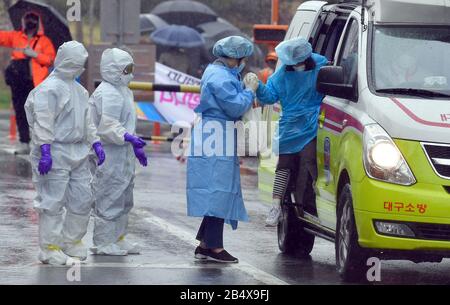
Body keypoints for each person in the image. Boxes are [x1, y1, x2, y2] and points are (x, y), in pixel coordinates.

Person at [25, 41, 106, 265]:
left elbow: (87, 122)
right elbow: (43, 121)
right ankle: (49, 247)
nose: (79, 68)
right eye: (76, 63)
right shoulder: (48, 89)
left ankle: (71, 241)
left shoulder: (79, 90)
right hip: (56, 149)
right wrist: (45, 149)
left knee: (82, 198)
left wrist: (95, 143)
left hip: (78, 150)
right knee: (53, 200)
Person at [244, 37, 328, 227]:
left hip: (312, 123)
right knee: (284, 165)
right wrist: (257, 87)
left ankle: (320, 199)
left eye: (299, 61)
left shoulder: (321, 65)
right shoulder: (281, 76)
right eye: (293, 62)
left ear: (307, 57)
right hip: (290, 125)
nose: (296, 65)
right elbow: (270, 95)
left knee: (309, 159)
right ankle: (275, 206)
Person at [187, 36, 255, 263]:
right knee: (218, 189)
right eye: (242, 58)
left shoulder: (220, 72)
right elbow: (235, 106)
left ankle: (206, 242)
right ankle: (214, 246)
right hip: (216, 135)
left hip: (216, 133)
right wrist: (250, 91)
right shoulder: (219, 76)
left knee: (217, 190)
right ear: (235, 57)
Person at [89, 48, 148, 256]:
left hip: (123, 154)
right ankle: (104, 242)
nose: (130, 73)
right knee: (109, 197)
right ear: (114, 70)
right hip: (109, 153)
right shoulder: (108, 92)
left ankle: (118, 238)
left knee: (124, 198)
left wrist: (134, 144)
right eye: (126, 69)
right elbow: (108, 125)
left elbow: (126, 122)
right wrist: (128, 137)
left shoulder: (123, 90)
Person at [0, 11, 56, 154]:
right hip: (17, 81)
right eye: (28, 18)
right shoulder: (16, 36)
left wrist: (35, 54)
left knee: (38, 113)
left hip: (36, 83)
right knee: (20, 111)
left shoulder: (44, 41)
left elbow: (50, 60)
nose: (30, 21)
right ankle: (24, 141)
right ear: (23, 21)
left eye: (33, 19)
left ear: (38, 23)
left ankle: (41, 142)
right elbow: (2, 37)